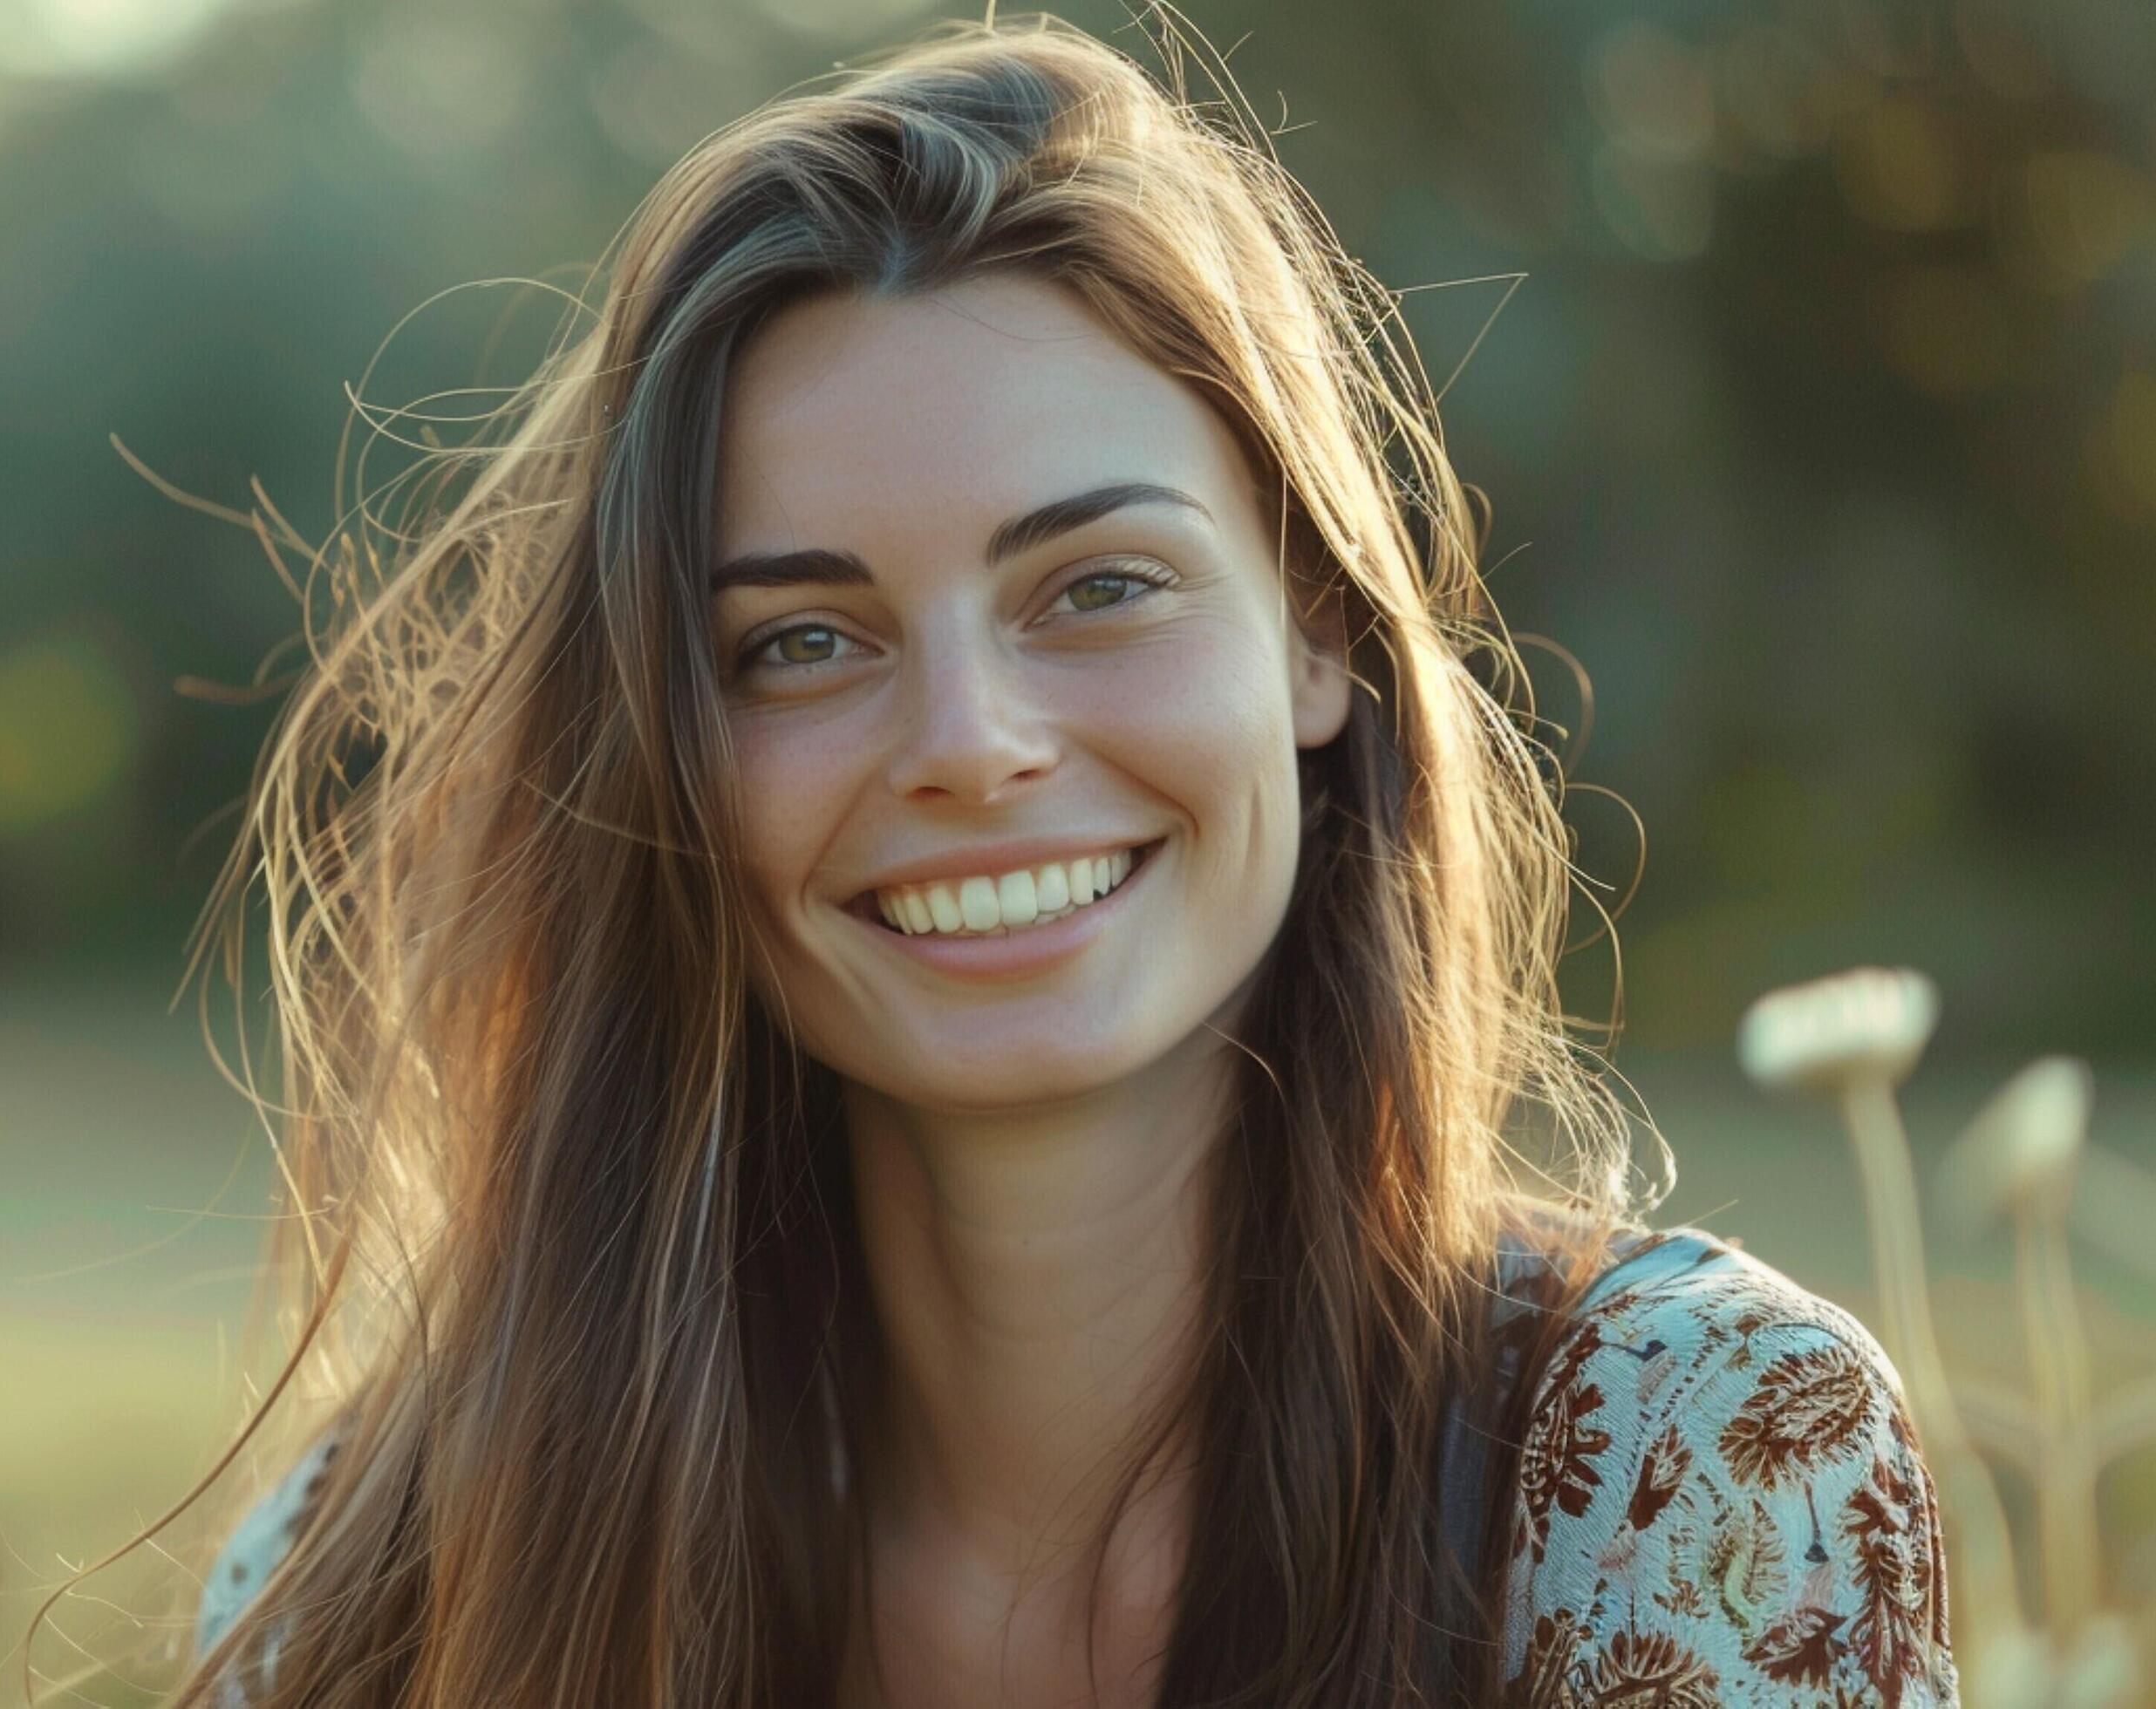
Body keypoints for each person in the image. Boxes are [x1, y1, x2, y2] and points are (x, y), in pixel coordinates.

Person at [150, 13, 1958, 1706]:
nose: (967, 740)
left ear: (1315, 633)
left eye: (1095, 588)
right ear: (664, 767)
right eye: (799, 641)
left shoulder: (1694, 1459)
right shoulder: (377, 1582)